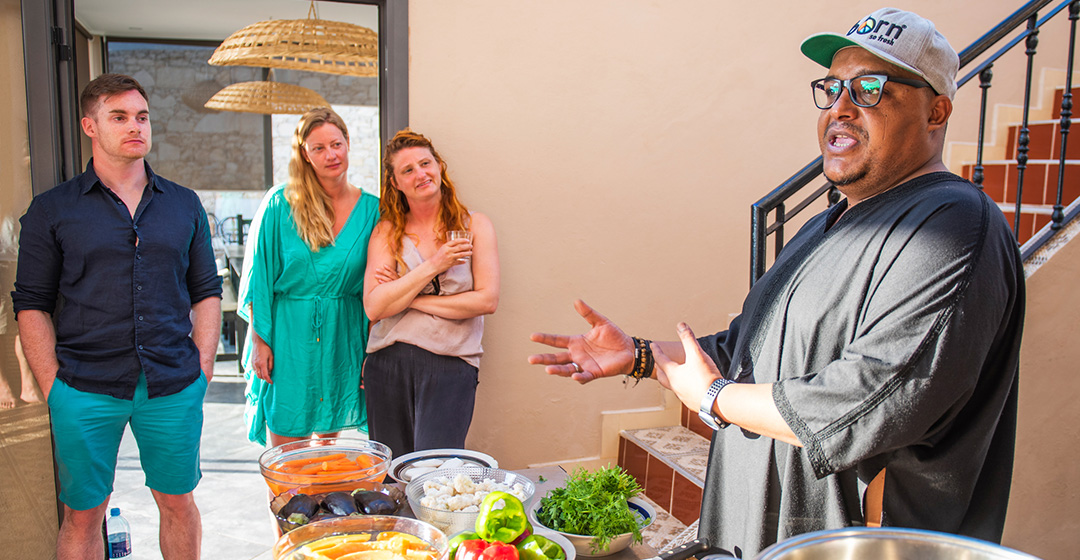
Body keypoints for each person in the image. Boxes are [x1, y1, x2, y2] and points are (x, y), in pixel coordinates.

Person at [529, 8, 1024, 557]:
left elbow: (872, 399)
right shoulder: (827, 223)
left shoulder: (954, 225)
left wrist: (715, 399)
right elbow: (748, 350)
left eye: (869, 88)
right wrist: (642, 356)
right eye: (832, 88)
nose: (840, 108)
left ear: (936, 110)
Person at [12, 73, 221, 560]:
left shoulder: (184, 205)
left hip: (171, 384)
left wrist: (202, 369)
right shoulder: (52, 210)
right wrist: (52, 388)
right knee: (84, 515)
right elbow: (31, 303)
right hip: (83, 387)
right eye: (120, 117)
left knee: (178, 502)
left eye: (142, 117)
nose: (135, 126)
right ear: (90, 125)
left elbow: (206, 292)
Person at [238, 107, 380, 447]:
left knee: (325, 450)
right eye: (319, 148)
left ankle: (319, 500)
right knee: (288, 454)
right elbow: (261, 278)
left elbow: (379, 284)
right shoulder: (279, 204)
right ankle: (289, 501)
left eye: (336, 144)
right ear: (305, 154)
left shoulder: (374, 210)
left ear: (348, 144)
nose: (331, 155)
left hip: (343, 336)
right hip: (288, 336)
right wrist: (260, 341)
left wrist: (371, 350)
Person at [363, 129, 500, 459]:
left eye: (425, 163)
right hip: (387, 363)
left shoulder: (475, 225)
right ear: (396, 183)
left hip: (450, 364)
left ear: (440, 166)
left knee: (435, 472)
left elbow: (486, 300)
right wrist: (435, 264)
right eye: (407, 170)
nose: (420, 174)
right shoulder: (387, 231)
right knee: (392, 474)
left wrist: (408, 296)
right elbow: (374, 307)